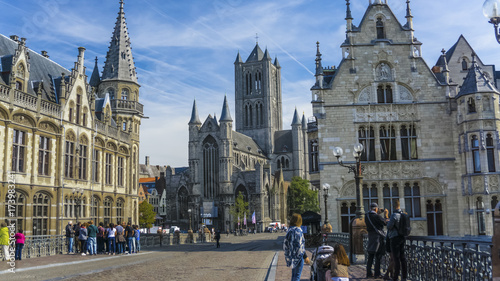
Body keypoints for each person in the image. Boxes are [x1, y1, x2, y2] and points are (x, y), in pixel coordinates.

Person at [283, 213, 310, 281]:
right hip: (298, 256)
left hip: (291, 256)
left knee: (294, 275)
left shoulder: (289, 230)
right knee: (297, 276)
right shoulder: (298, 230)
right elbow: (300, 246)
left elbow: (286, 244)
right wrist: (305, 256)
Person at [365, 203, 388, 278]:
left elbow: (373, 216)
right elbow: (385, 223)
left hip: (371, 237)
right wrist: (386, 215)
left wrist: (377, 213)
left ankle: (368, 273)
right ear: (376, 209)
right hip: (378, 238)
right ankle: (377, 273)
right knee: (378, 256)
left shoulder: (367, 216)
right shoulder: (377, 216)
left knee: (370, 256)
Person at [387, 200, 408, 281]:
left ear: (393, 206)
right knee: (403, 258)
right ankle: (404, 276)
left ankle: (396, 277)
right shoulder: (404, 214)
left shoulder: (394, 215)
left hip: (395, 238)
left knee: (396, 258)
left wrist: (388, 220)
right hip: (402, 237)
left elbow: (389, 226)